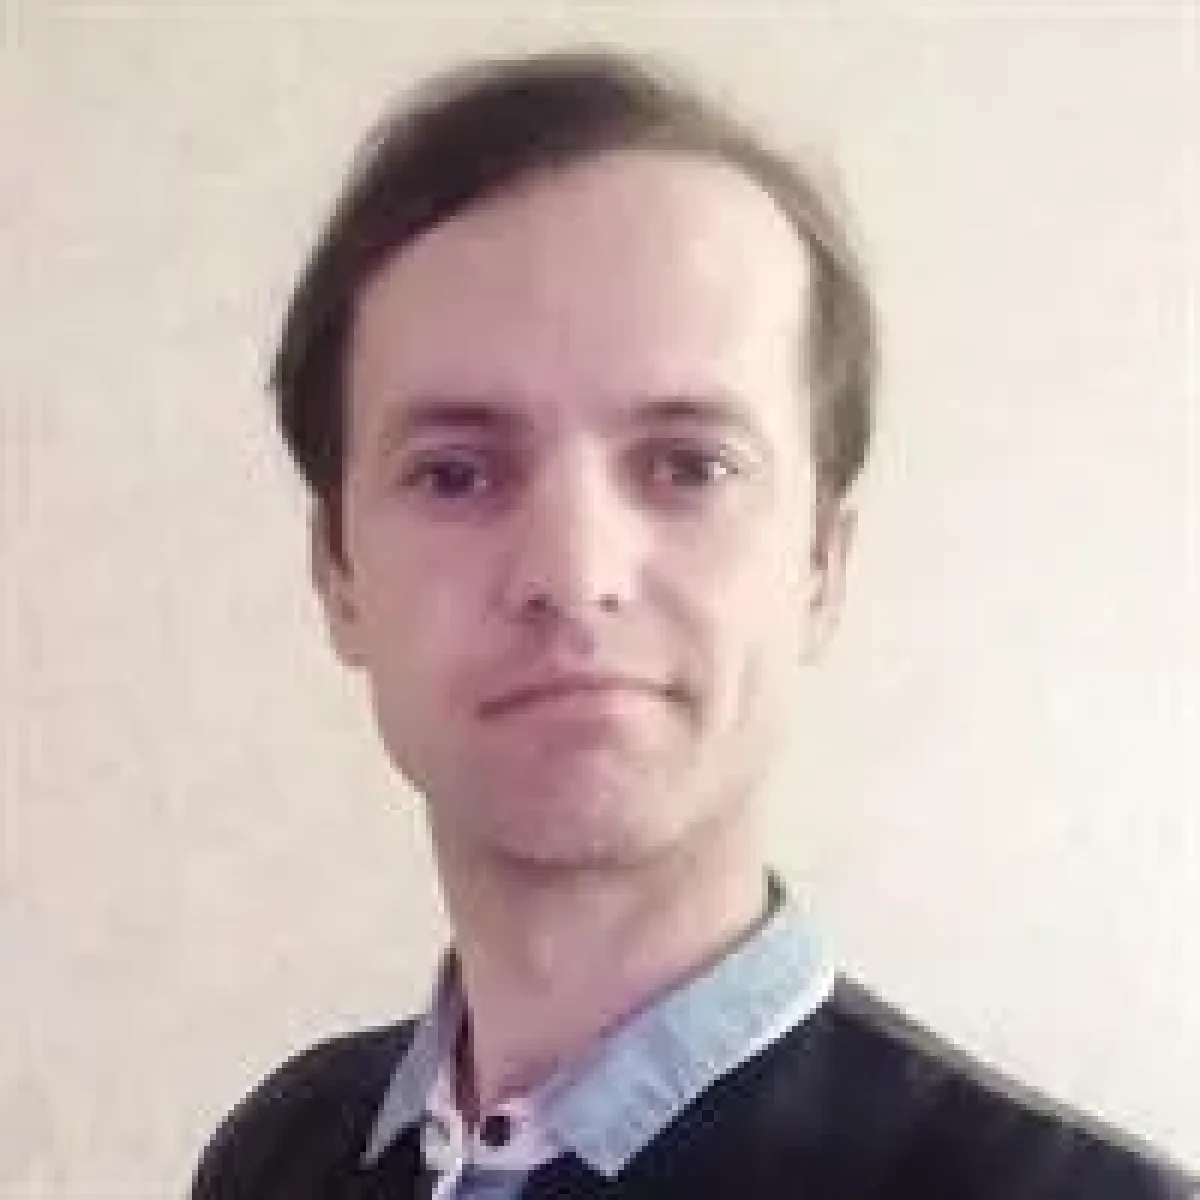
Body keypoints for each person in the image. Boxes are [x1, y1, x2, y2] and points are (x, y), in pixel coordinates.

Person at [190, 47, 1196, 1199]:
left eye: (687, 466)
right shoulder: (276, 1156)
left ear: (820, 563)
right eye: (457, 473)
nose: (573, 573)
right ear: (337, 574)